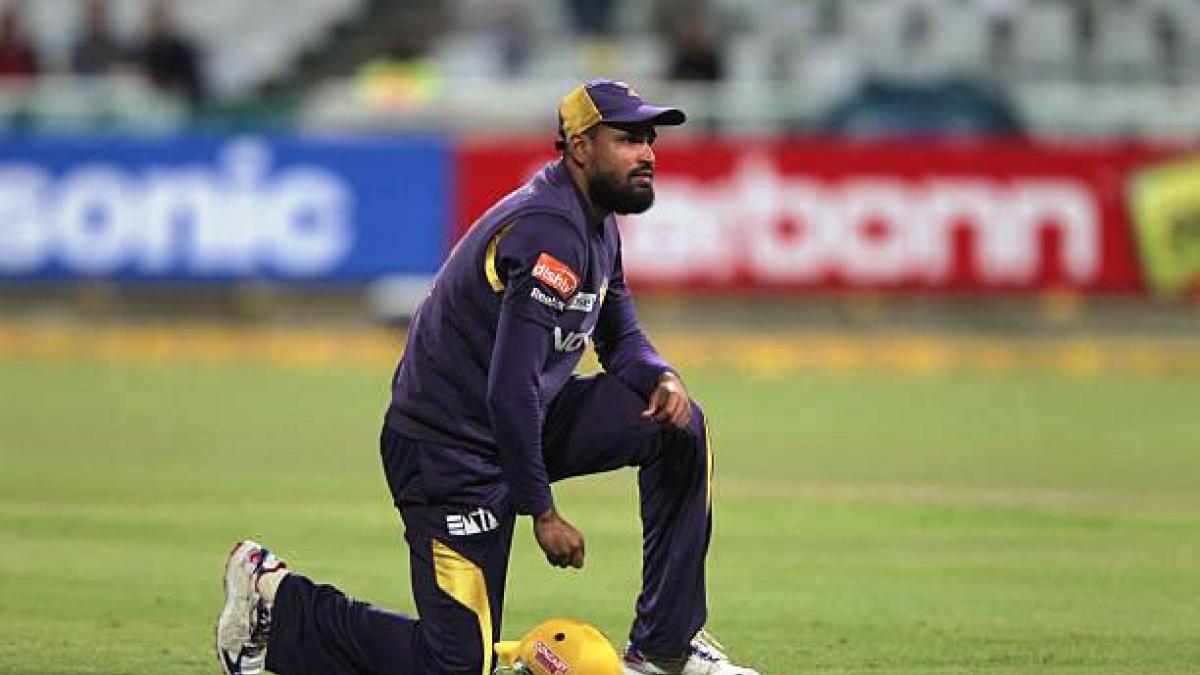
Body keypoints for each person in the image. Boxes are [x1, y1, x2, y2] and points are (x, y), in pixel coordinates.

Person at [216, 79, 761, 675]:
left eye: (650, 139)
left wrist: (662, 376)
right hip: (449, 452)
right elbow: (509, 388)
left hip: (519, 421)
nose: (648, 152)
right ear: (580, 146)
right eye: (629, 138)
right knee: (456, 665)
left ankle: (665, 648)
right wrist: (543, 514)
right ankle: (278, 606)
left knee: (678, 427)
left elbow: (619, 334)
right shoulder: (549, 231)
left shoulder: (594, 221)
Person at [0, 4, 38, 81]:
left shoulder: (26, 52)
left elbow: (34, 77)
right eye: (8, 25)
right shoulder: (2, 51)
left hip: (23, 89)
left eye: (13, 26)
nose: (10, 30)